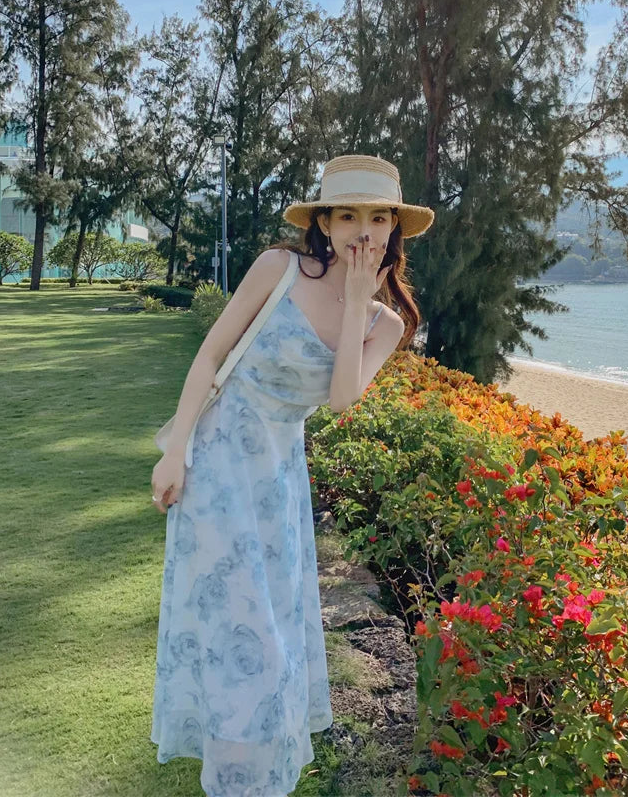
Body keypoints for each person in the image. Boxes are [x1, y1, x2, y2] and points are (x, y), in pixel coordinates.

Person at [148, 153, 434, 797]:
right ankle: (233, 779)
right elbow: (211, 354)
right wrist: (176, 449)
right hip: (219, 463)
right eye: (348, 216)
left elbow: (340, 399)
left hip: (278, 480)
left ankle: (252, 779)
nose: (364, 231)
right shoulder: (277, 269)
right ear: (324, 223)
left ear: (394, 228)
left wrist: (358, 303)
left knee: (271, 636)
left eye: (378, 218)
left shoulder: (386, 323)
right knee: (235, 630)